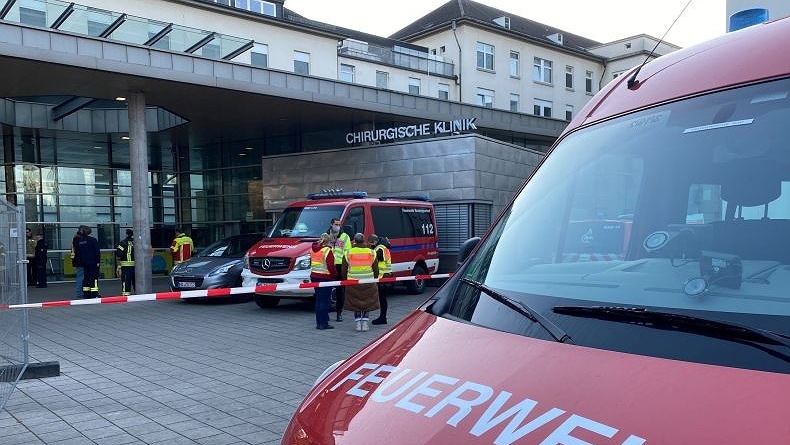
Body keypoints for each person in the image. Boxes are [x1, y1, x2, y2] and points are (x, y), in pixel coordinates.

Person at [344, 233, 379, 332]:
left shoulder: (348, 253)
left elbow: (344, 269)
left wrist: (345, 280)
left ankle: (358, 324)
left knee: (356, 304)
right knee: (367, 303)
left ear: (354, 241)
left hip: (353, 281)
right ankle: (365, 324)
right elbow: (376, 269)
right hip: (368, 281)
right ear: (364, 240)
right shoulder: (372, 252)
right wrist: (375, 279)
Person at [311, 233, 337, 330]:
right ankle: (323, 323)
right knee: (324, 301)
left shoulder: (313, 249)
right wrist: (334, 275)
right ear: (328, 241)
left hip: (314, 275)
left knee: (318, 300)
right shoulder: (327, 251)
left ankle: (319, 322)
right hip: (324, 277)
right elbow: (331, 266)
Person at [327, 218, 351, 322]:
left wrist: (347, 266)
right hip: (329, 265)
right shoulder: (326, 235)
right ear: (331, 224)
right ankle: (326, 312)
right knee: (326, 289)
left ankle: (339, 313)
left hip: (340, 266)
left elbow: (348, 252)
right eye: (336, 224)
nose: (338, 226)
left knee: (340, 291)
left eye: (339, 224)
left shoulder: (345, 236)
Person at [368, 234, 392, 325]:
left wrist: (369, 251)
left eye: (371, 243)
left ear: (374, 242)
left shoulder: (380, 248)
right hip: (385, 276)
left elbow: (378, 257)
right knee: (382, 298)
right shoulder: (382, 247)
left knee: (382, 298)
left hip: (383, 276)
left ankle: (383, 318)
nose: (370, 245)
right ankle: (382, 317)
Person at [75, 226, 100, 298]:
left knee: (86, 278)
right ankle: (94, 294)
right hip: (93, 262)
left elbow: (79, 252)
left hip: (84, 262)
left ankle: (86, 293)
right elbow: (97, 251)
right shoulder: (93, 240)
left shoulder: (81, 241)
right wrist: (98, 261)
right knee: (94, 278)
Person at [116, 229, 135, 296]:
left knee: (126, 280)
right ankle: (138, 293)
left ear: (126, 234)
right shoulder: (136, 243)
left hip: (126, 265)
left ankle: (126, 293)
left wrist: (119, 264)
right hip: (136, 265)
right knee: (135, 280)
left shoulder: (123, 242)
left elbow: (118, 254)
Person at [71, 228, 84, 298]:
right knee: (81, 277)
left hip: (77, 261)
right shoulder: (79, 239)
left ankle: (80, 291)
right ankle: (80, 292)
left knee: (80, 276)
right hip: (80, 261)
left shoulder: (75, 239)